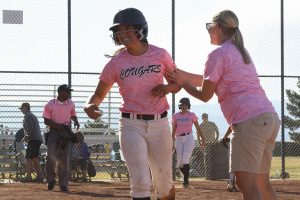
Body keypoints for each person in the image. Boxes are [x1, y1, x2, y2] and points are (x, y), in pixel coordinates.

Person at [170, 10, 281, 200]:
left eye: (209, 26)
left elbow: (205, 94)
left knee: (248, 185)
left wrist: (183, 83)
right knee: (262, 183)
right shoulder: (239, 50)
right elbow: (208, 80)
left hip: (249, 121)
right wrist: (180, 75)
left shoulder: (218, 54)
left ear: (218, 27)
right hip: (268, 118)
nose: (208, 30)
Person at [84, 8, 181, 200]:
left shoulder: (160, 55)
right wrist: (89, 106)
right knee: (140, 181)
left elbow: (177, 83)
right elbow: (97, 95)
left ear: (141, 29)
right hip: (130, 124)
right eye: (119, 30)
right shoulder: (116, 63)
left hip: (159, 123)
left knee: (164, 183)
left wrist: (167, 89)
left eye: (128, 28)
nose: (123, 33)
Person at [43, 84, 80, 192]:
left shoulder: (70, 103)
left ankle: (63, 183)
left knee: (64, 158)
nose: (69, 94)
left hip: (66, 132)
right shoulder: (51, 104)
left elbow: (72, 114)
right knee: (50, 156)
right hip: (54, 131)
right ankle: (50, 180)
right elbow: (46, 120)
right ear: (60, 93)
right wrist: (59, 126)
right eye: (67, 92)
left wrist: (75, 120)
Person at [172, 97, 205, 188]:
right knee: (180, 162)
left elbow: (198, 127)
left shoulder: (192, 115)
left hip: (189, 138)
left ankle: (185, 182)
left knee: (185, 159)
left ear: (188, 105)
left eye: (186, 105)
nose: (184, 106)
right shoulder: (176, 115)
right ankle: (186, 175)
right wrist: (172, 139)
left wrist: (203, 139)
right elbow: (174, 128)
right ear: (180, 105)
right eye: (182, 104)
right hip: (178, 138)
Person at [19, 102, 44, 182]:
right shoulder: (31, 115)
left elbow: (30, 129)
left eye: (22, 108)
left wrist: (25, 137)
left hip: (33, 139)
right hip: (36, 139)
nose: (21, 110)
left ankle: (29, 177)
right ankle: (39, 176)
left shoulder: (28, 116)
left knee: (28, 158)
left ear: (26, 108)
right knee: (33, 157)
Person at [221, 127, 238, 192]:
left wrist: (225, 136)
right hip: (251, 137)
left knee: (233, 160)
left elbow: (232, 124)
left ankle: (231, 182)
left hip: (236, 136)